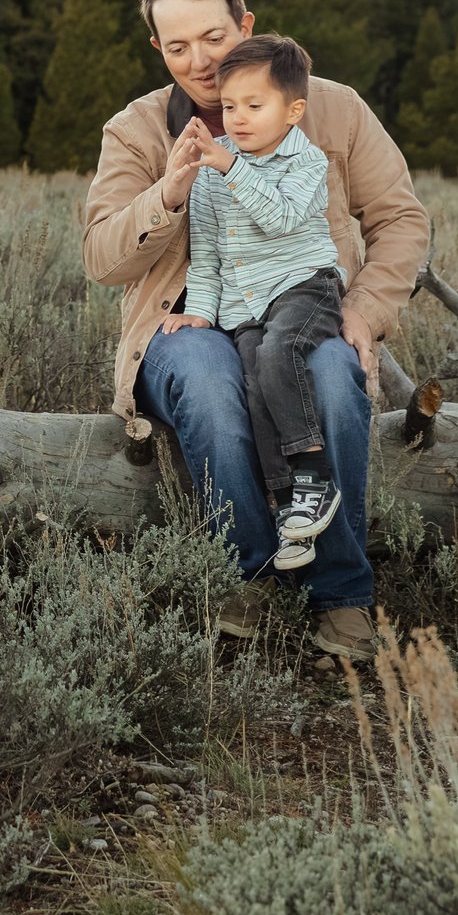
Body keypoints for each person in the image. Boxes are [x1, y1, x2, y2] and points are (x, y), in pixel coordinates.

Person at [82, 0, 428, 659]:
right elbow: (101, 257)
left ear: (245, 23)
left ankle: (342, 594)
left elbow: (400, 220)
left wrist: (362, 312)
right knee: (210, 379)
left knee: (333, 375)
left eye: (213, 37)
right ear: (157, 49)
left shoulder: (333, 108)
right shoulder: (138, 130)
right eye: (176, 47)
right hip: (190, 319)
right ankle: (249, 579)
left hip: (306, 309)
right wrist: (168, 193)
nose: (199, 60)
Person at [162, 33, 346, 570]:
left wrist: (229, 167)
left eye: (254, 105)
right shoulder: (215, 176)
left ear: (293, 110)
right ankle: (288, 502)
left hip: (305, 287)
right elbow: (212, 254)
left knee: (279, 354)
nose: (237, 119)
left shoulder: (305, 161)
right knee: (253, 385)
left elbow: (283, 217)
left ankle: (314, 476)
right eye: (228, 106)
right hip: (246, 304)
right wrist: (201, 308)